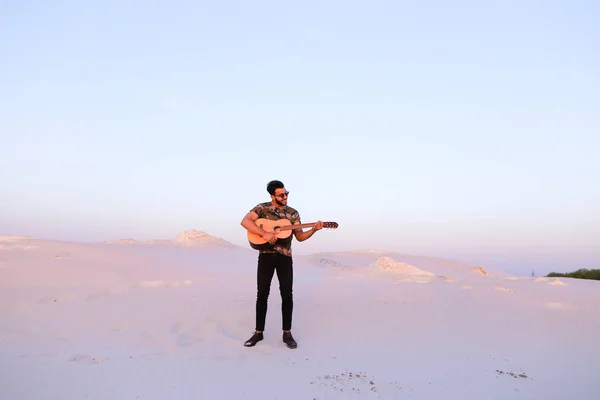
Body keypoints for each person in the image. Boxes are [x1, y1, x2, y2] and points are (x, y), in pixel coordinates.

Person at [240, 180, 323, 349]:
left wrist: (314, 229)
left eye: (286, 193)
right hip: (266, 257)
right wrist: (264, 232)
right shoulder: (262, 208)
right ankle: (258, 333)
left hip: (285, 258)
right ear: (272, 196)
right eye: (281, 195)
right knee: (262, 294)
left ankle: (287, 333)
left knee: (287, 295)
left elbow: (299, 237)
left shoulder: (293, 213)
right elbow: (245, 222)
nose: (285, 197)